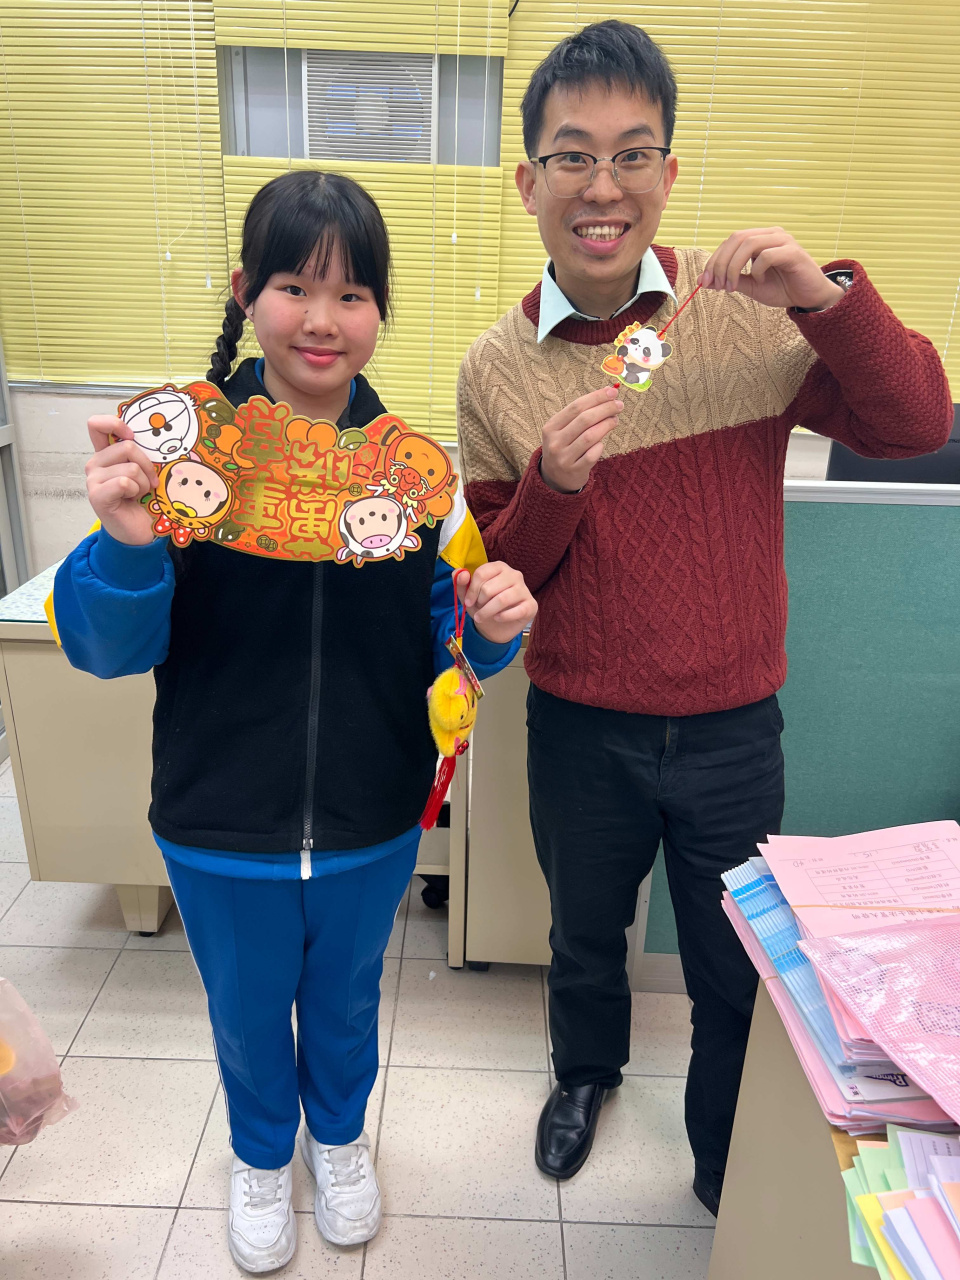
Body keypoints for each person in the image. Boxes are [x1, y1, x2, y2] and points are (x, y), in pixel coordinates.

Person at [456, 20, 953, 1214]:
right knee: (584, 934)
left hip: (733, 727)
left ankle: (722, 1151)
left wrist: (823, 298)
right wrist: (553, 485)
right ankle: (584, 1075)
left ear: (668, 174)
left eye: (632, 154)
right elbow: (505, 580)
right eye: (572, 156)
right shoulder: (493, 370)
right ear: (528, 182)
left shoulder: (745, 316)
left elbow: (917, 422)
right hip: (580, 724)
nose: (603, 186)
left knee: (734, 967)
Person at [50, 170, 537, 1273]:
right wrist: (125, 539)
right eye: (295, 286)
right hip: (218, 817)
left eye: (352, 293)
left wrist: (493, 627)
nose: (323, 318)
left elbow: (454, 646)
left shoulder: (416, 479)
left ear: (379, 313)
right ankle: (264, 1155)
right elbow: (106, 648)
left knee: (348, 1002)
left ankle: (342, 1142)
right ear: (246, 292)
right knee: (246, 1009)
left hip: (372, 814)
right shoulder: (184, 460)